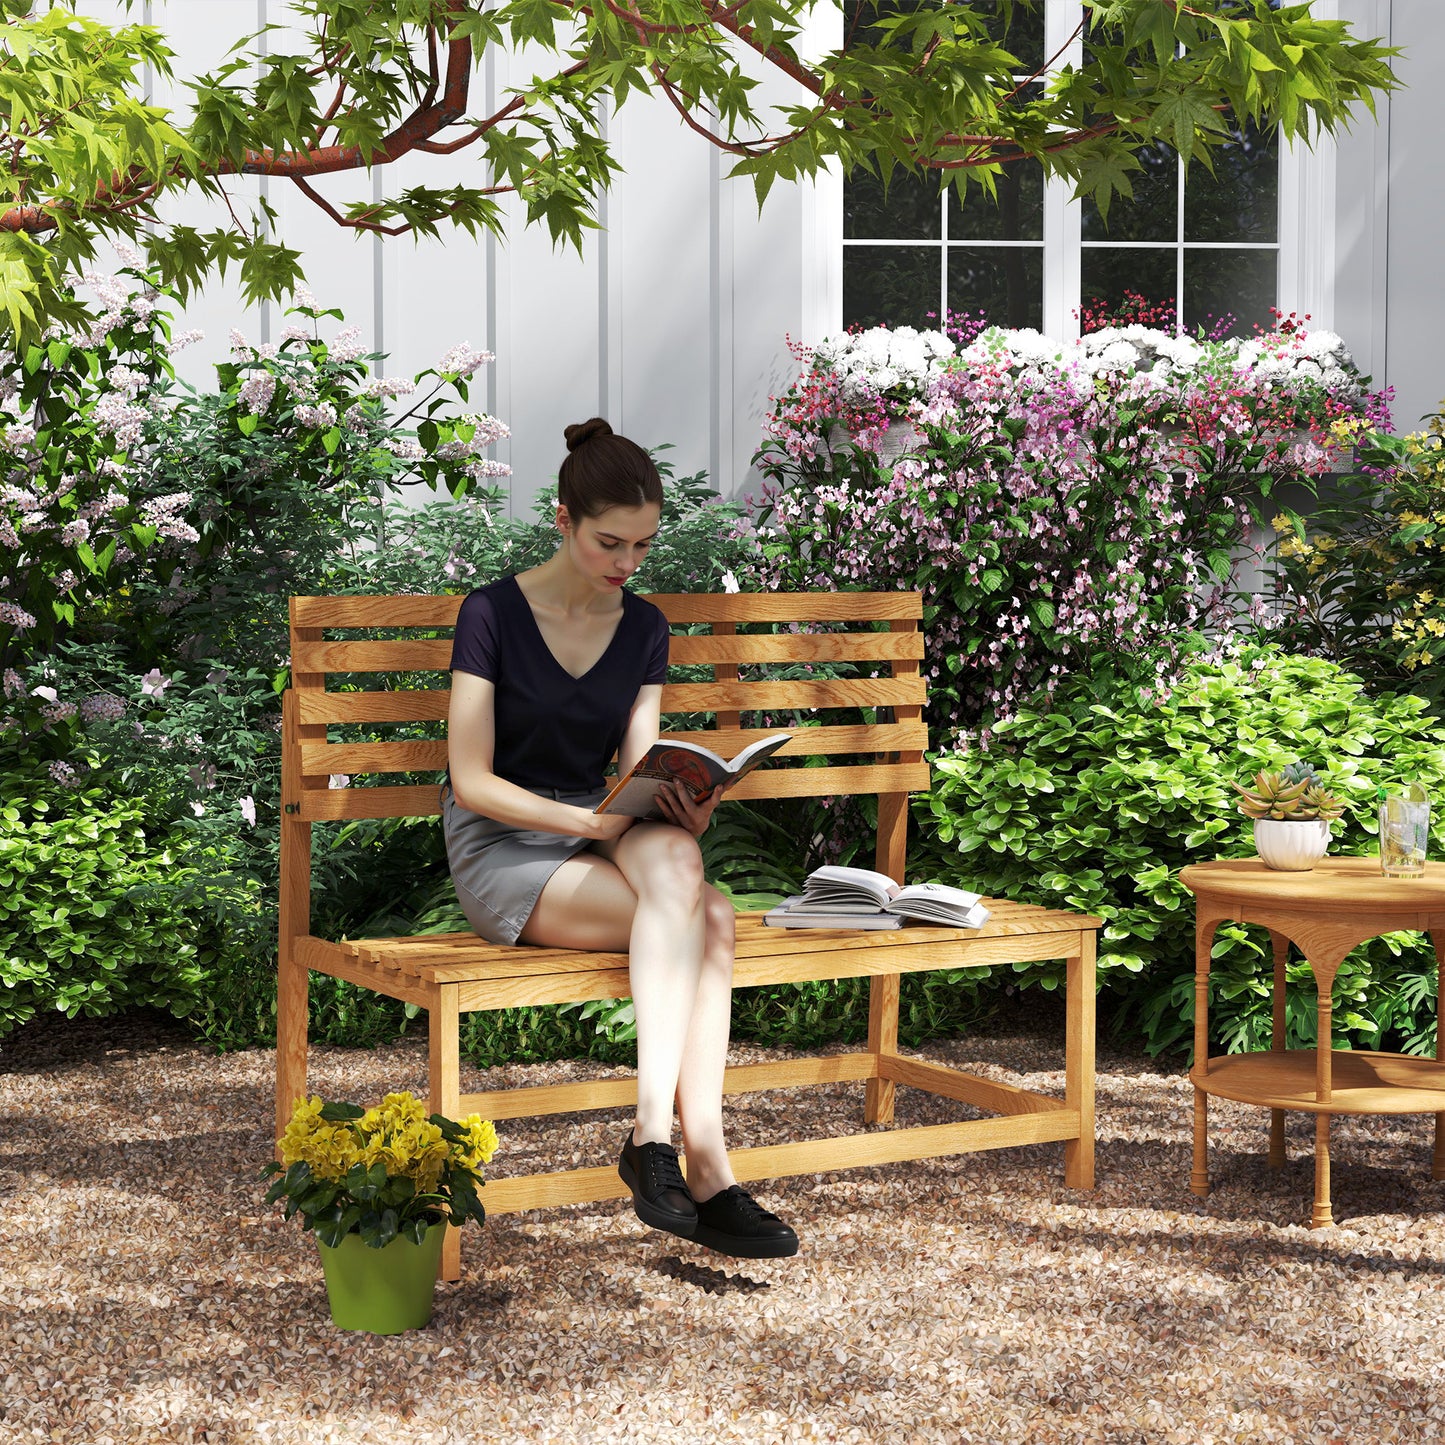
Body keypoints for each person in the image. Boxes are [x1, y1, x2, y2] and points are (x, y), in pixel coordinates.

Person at [442, 417, 799, 1259]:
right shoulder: (489, 613)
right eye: (610, 542)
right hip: (505, 840)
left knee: (681, 857)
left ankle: (660, 1143)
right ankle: (698, 1164)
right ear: (562, 521)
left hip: (604, 821)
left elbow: (637, 757)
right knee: (708, 917)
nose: (626, 564)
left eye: (641, 546)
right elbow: (470, 778)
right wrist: (588, 822)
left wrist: (685, 798)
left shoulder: (644, 626)